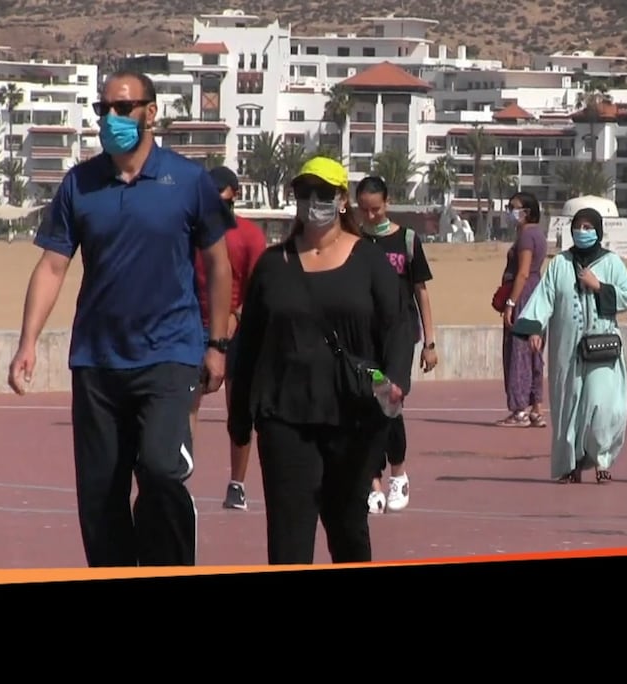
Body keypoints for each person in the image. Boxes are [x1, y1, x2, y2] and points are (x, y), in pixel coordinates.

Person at [6, 70, 234, 567]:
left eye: (123, 108)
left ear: (151, 113)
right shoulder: (80, 184)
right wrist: (28, 344)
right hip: (97, 361)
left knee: (157, 468)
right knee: (101, 495)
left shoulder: (189, 182)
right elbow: (52, 265)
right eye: (102, 109)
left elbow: (218, 265)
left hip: (169, 356)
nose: (111, 118)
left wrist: (217, 344)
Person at [225, 156, 414, 565]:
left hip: (354, 416)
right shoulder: (273, 265)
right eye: (304, 192)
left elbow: (398, 327)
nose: (314, 201)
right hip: (284, 418)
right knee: (289, 536)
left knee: (348, 530)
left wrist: (396, 380)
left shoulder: (369, 261)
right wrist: (240, 416)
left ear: (342, 199)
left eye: (324, 193)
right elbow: (251, 342)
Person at [512, 207, 627, 484]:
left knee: (603, 406)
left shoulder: (612, 263)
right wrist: (535, 327)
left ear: (598, 230)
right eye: (578, 226)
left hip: (601, 347)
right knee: (568, 406)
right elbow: (545, 295)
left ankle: (602, 458)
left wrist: (599, 286)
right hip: (566, 349)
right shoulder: (560, 263)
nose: (582, 232)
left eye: (588, 227)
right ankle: (571, 464)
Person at [354, 175, 439, 514]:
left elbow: (421, 291)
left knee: (391, 400)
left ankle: (398, 474)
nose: (370, 216)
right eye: (364, 210)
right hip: (364, 338)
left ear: (386, 204)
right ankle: (371, 481)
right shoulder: (354, 241)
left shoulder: (407, 240)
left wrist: (430, 342)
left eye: (375, 209)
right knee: (367, 406)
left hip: (401, 335)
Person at [187, 165, 267, 511]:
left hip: (238, 333)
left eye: (226, 202)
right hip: (193, 330)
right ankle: (179, 477)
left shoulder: (249, 235)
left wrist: (236, 316)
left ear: (235, 197)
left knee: (239, 412)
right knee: (186, 407)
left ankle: (237, 484)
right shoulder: (189, 234)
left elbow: (262, 288)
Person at [494, 191, 548, 428]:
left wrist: (510, 303)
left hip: (525, 295)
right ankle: (536, 407)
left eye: (513, 207)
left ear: (526, 212)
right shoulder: (538, 235)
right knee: (534, 351)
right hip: (538, 295)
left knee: (518, 352)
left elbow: (523, 272)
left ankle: (519, 410)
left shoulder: (526, 237)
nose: (509, 211)